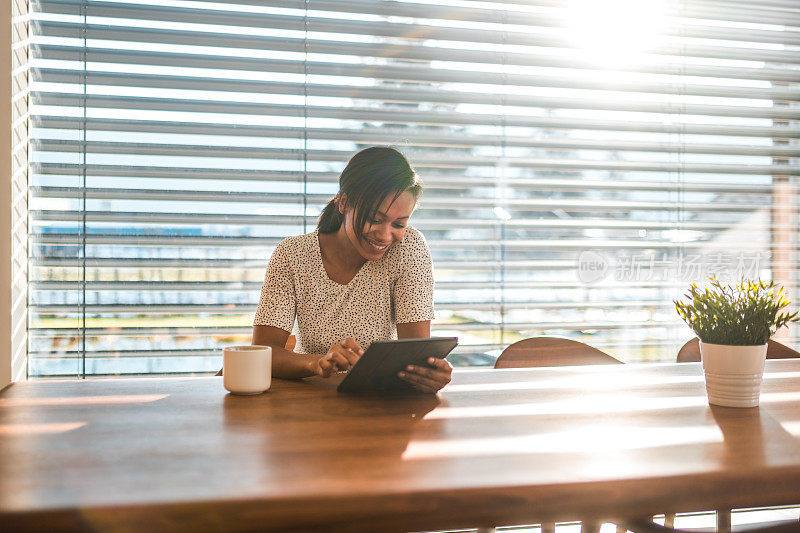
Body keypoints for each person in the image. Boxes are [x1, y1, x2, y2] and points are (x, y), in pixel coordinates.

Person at [252, 146, 452, 393]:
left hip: (381, 402)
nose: (386, 235)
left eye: (399, 223)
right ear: (344, 203)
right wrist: (318, 362)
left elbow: (414, 352)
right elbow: (262, 354)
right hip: (310, 402)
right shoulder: (293, 254)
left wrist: (428, 374)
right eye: (375, 220)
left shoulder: (408, 248)